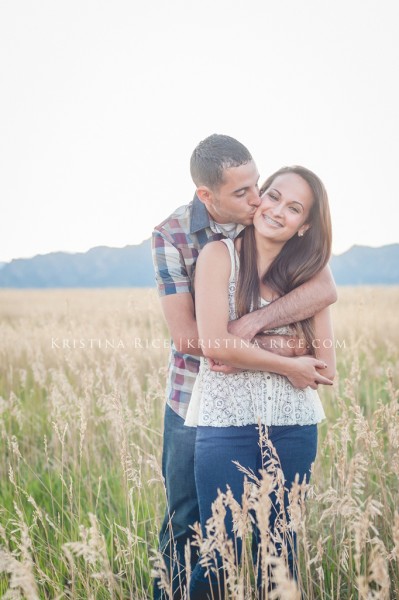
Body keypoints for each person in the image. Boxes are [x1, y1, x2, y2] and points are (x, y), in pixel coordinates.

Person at [151, 135, 337, 600]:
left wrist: (254, 326)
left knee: (280, 543)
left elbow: (323, 293)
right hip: (199, 395)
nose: (259, 201)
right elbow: (195, 340)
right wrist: (288, 356)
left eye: (261, 186)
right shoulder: (176, 237)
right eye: (246, 193)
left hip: (284, 413)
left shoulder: (286, 244)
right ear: (207, 197)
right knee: (192, 526)